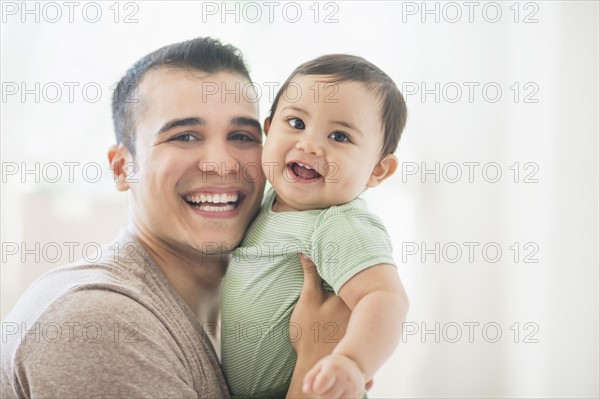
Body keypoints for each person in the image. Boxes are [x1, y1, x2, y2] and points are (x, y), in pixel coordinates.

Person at [1, 38, 350, 398]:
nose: (222, 163)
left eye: (242, 136)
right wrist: (315, 364)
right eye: (184, 136)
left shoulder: (260, 314)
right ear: (122, 168)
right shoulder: (99, 321)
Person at [222, 54, 410, 399]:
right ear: (267, 130)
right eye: (295, 123)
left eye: (339, 136)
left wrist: (351, 363)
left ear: (377, 171)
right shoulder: (267, 202)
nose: (309, 145)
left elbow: (386, 298)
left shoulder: (339, 223)